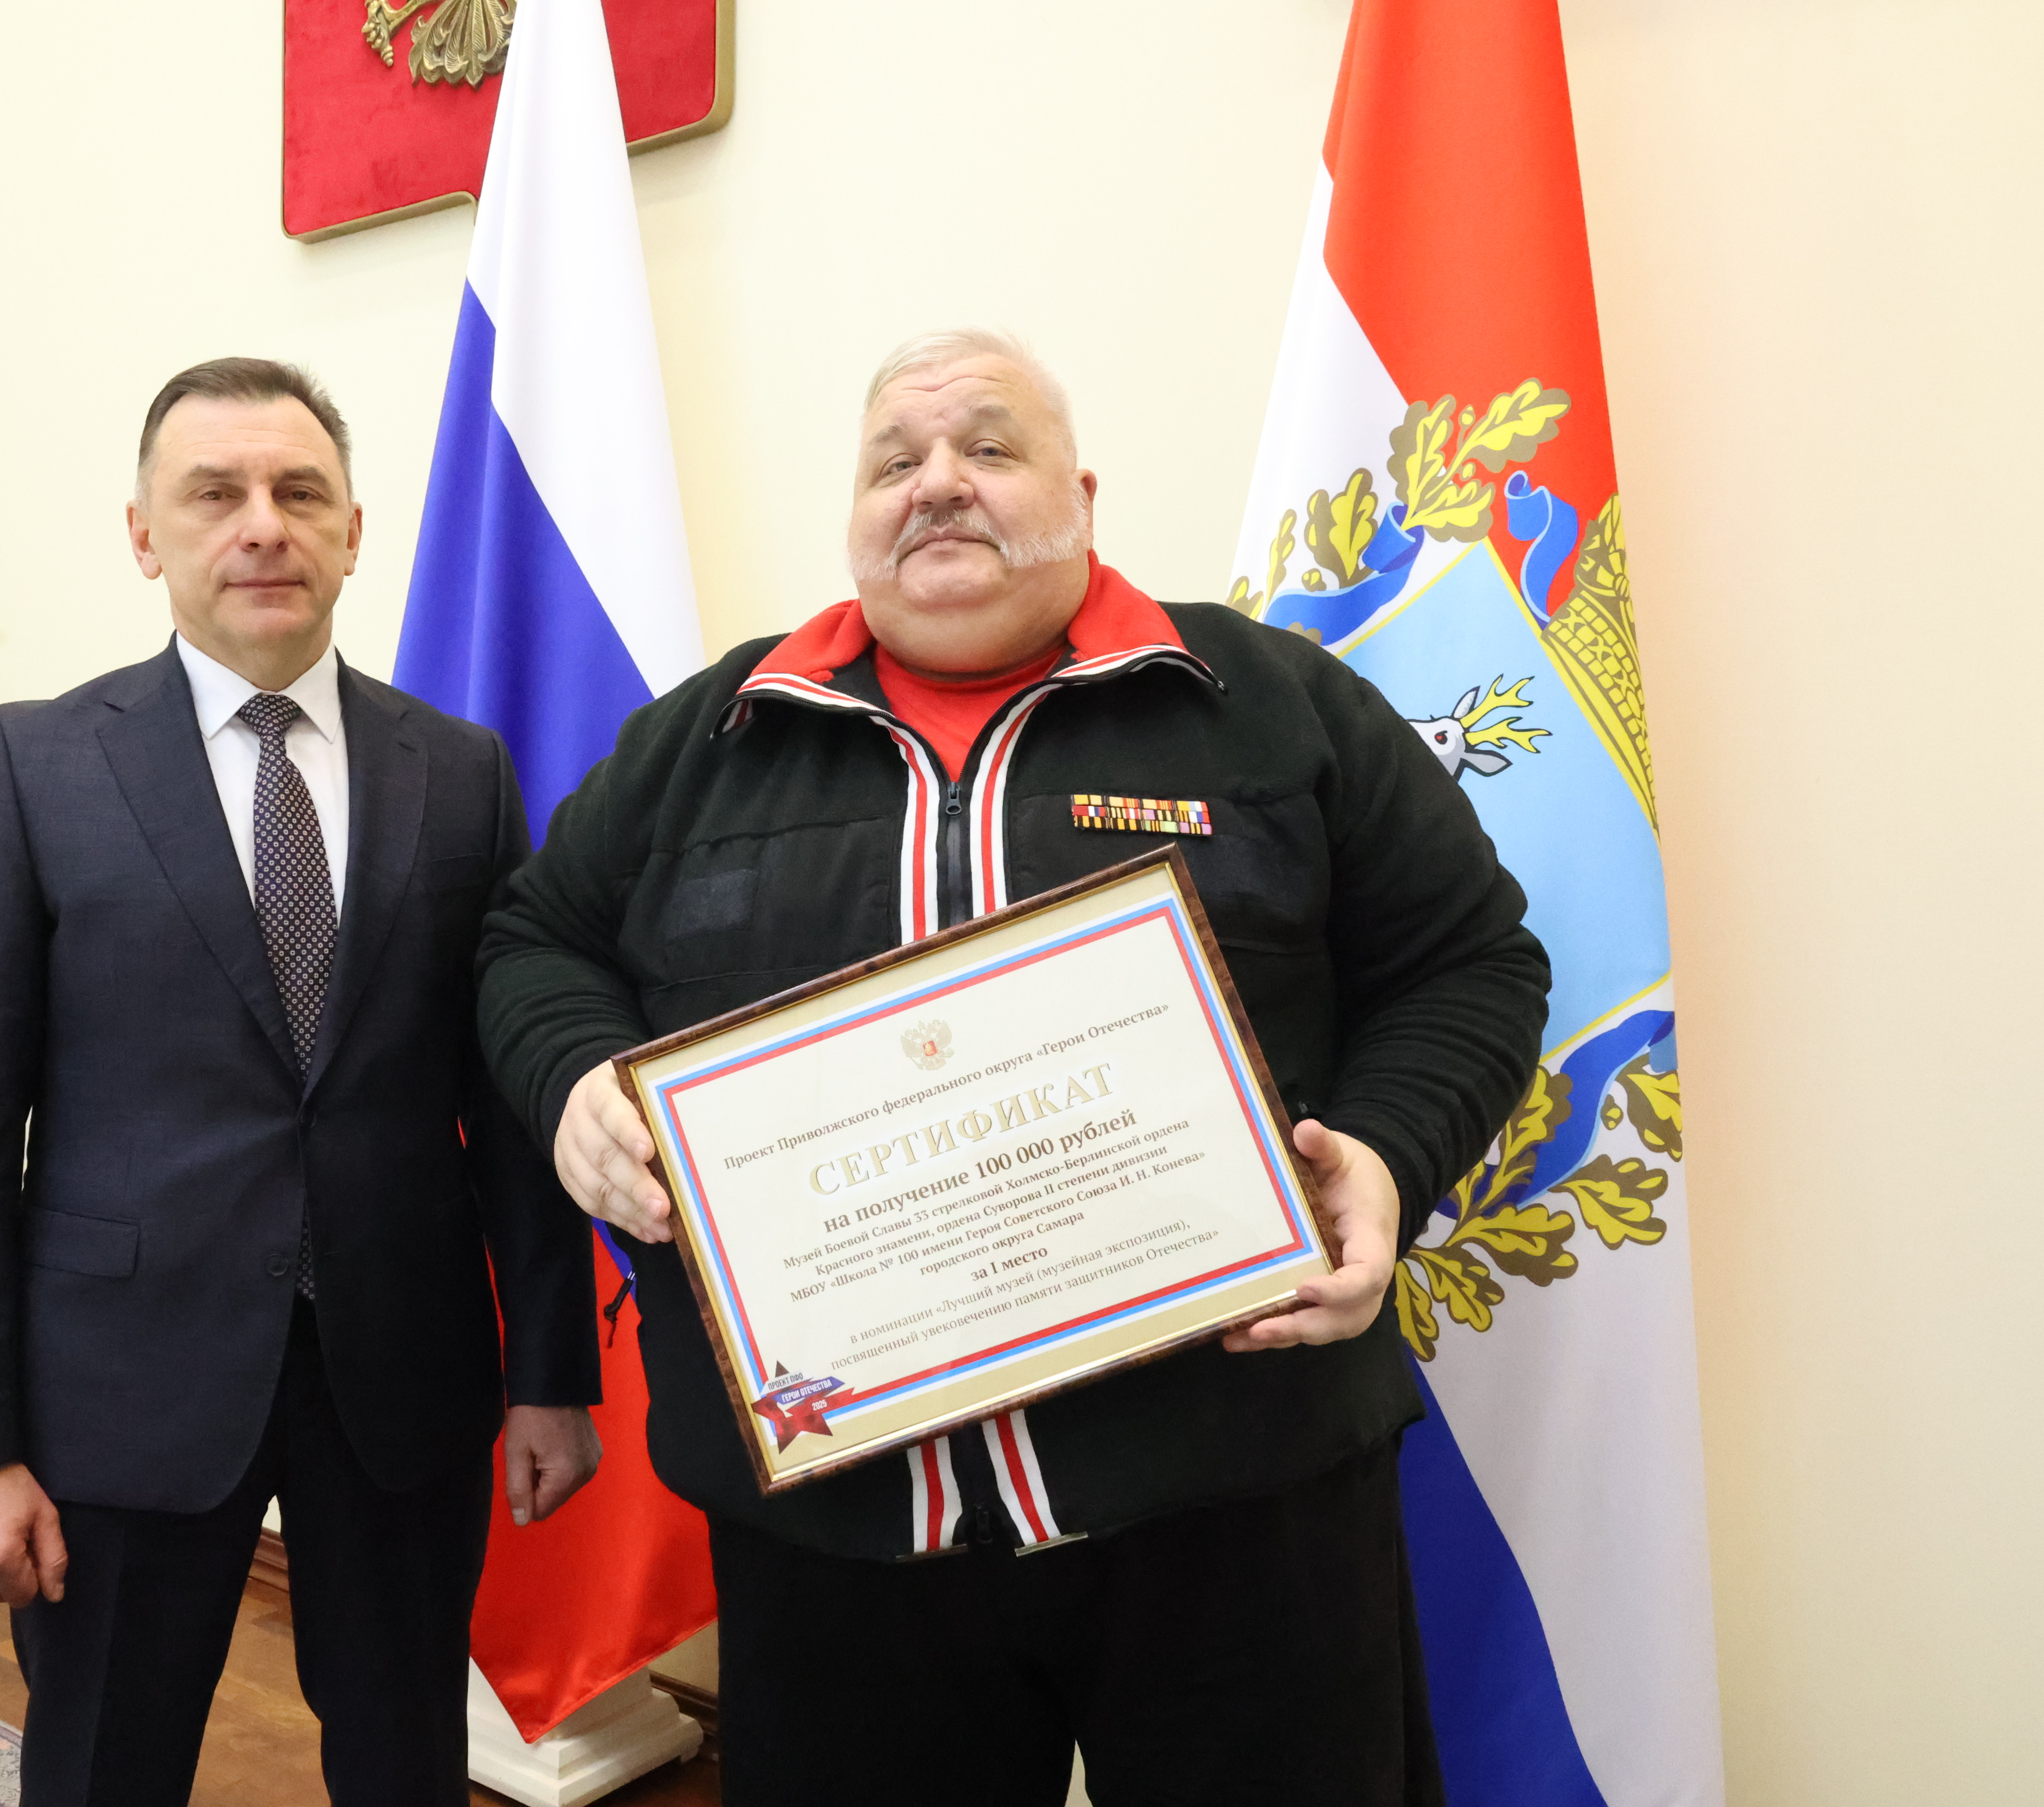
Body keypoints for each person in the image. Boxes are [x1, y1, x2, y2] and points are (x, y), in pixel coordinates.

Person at [477, 329, 1553, 1804]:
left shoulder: (1269, 704)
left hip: (1242, 1513)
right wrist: (575, 1079)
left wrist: (1385, 1150)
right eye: (893, 461)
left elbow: (1471, 964)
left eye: (988, 447)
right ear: (855, 514)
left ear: (1082, 495)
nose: (937, 484)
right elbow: (533, 941)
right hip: (842, 1553)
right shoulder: (706, 744)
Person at [0, 357, 602, 1807]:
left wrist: (551, 1373)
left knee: (407, 1762)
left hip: (402, 1381)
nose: (263, 524)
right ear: (144, 535)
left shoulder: (460, 772)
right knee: (105, 1762)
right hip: (119, 1389)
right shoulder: (35, 764)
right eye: (214, 494)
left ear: (355, 531)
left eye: (300, 493)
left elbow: (508, 1105)